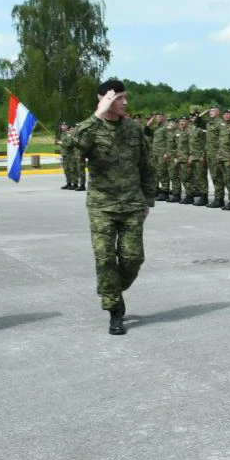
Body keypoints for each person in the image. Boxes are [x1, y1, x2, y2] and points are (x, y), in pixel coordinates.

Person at [73, 80, 156, 335]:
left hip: (131, 203)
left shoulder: (133, 129)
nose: (125, 103)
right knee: (105, 258)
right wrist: (97, 114)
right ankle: (115, 310)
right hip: (102, 205)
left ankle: (111, 290)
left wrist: (148, 200)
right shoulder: (91, 130)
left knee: (133, 258)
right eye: (119, 98)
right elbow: (70, 145)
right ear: (104, 100)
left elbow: (146, 167)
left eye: (124, 97)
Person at [148, 113, 169, 201]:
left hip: (162, 153)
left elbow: (169, 140)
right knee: (155, 173)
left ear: (163, 117)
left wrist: (166, 152)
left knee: (162, 172)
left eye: (159, 117)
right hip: (155, 153)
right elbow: (147, 126)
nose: (158, 118)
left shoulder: (165, 127)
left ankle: (165, 192)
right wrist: (152, 118)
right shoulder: (155, 127)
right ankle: (156, 190)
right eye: (157, 117)